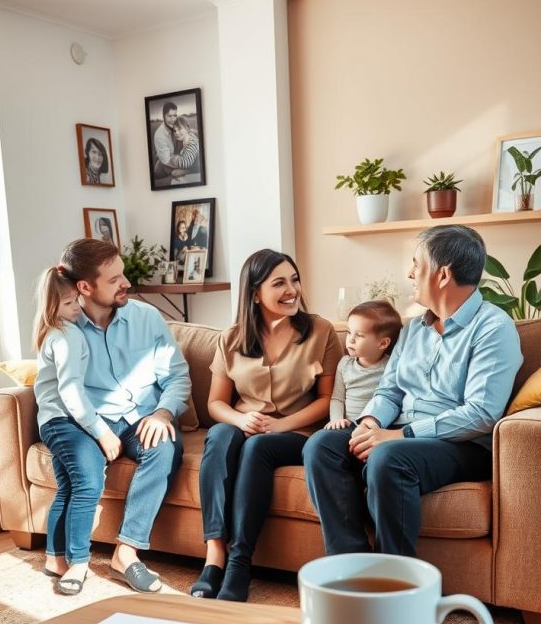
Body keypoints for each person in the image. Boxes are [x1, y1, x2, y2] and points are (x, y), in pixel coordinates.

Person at [303, 225, 523, 558]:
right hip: (397, 432)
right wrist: (370, 422)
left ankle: (396, 580)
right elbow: (389, 389)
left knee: (388, 457)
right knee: (322, 445)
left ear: (443, 274)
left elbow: (481, 413)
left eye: (416, 265)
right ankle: (351, 565)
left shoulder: (494, 328)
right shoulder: (413, 329)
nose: (410, 273)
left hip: (459, 445)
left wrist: (399, 436)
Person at [37, 238, 191, 594]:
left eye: (123, 274)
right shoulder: (66, 330)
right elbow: (61, 390)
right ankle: (66, 558)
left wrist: (164, 413)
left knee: (165, 447)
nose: (126, 284)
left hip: (142, 417)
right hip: (90, 424)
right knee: (80, 478)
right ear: (84, 287)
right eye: (114, 279)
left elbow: (177, 376)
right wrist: (94, 430)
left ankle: (127, 552)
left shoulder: (146, 317)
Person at [190, 248, 342, 603]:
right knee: (220, 435)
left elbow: (326, 402)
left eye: (295, 280)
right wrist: (241, 418)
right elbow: (216, 404)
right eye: (280, 283)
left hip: (297, 433)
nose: (292, 290)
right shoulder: (231, 339)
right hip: (244, 426)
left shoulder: (320, 331)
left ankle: (240, 561)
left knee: (259, 446)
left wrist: (281, 425)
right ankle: (214, 557)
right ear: (255, 293)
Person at [34, 267, 122, 595]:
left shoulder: (52, 332)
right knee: (89, 482)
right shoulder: (67, 334)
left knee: (67, 487)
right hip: (63, 422)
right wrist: (102, 431)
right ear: (52, 304)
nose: (77, 308)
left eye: (77, 300)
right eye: (70, 302)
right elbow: (71, 391)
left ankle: (55, 558)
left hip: (53, 422)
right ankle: (79, 561)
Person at [325, 300, 402, 430]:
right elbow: (337, 399)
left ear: (383, 343)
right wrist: (336, 420)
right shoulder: (344, 364)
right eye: (349, 332)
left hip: (378, 428)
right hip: (347, 426)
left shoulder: (391, 366)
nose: (351, 339)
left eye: (359, 335)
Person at [164, 116, 200, 183]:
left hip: (195, 168)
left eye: (179, 129)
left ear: (187, 129)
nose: (176, 133)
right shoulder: (182, 139)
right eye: (174, 130)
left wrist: (168, 158)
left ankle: (189, 171)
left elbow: (185, 163)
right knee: (166, 168)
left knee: (172, 172)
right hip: (189, 164)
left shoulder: (192, 143)